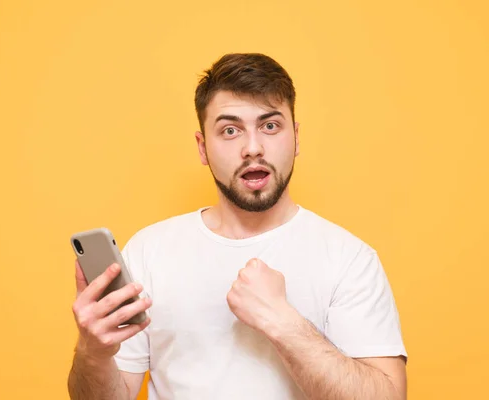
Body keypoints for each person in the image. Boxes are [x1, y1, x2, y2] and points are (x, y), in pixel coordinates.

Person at [67, 53, 408, 400]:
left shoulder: (349, 259)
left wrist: (283, 323)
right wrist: (92, 351)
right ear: (203, 148)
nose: (253, 148)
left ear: (297, 137)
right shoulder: (148, 251)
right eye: (230, 130)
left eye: (270, 126)